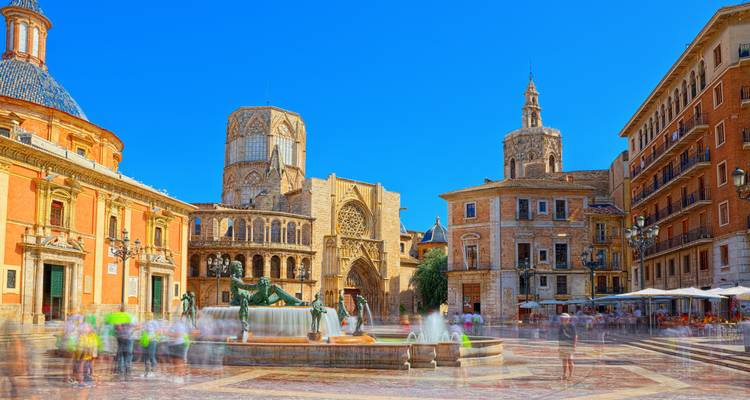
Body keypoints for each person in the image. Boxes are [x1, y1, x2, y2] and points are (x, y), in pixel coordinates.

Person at [558, 313, 577, 381]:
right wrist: (559, 346)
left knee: (570, 360)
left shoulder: (572, 326)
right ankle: (564, 374)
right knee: (564, 360)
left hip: (569, 345)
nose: (562, 320)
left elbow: (575, 336)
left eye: (563, 318)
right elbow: (560, 337)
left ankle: (570, 375)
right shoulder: (561, 326)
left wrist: (574, 345)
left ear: (567, 319)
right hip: (563, 345)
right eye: (562, 318)